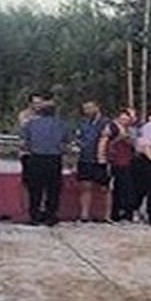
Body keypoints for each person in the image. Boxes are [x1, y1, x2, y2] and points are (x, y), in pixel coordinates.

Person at [20, 95, 68, 226]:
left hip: (36, 158)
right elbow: (65, 142)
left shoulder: (30, 124)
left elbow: (25, 143)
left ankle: (34, 215)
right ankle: (51, 215)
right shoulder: (61, 124)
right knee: (53, 188)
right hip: (54, 158)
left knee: (35, 189)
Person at [76, 100, 112, 222]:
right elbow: (78, 139)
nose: (87, 111)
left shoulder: (106, 122)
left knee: (104, 188)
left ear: (97, 107)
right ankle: (84, 214)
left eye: (90, 108)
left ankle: (106, 215)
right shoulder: (83, 123)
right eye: (85, 108)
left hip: (100, 159)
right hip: (85, 158)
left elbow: (107, 139)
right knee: (85, 186)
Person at [108, 109, 138, 222]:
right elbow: (107, 143)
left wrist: (129, 139)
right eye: (122, 119)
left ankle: (127, 212)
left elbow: (134, 144)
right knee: (118, 187)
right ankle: (115, 212)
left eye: (126, 119)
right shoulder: (112, 128)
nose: (124, 121)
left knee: (128, 188)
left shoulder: (130, 130)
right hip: (116, 161)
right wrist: (119, 138)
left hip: (128, 161)